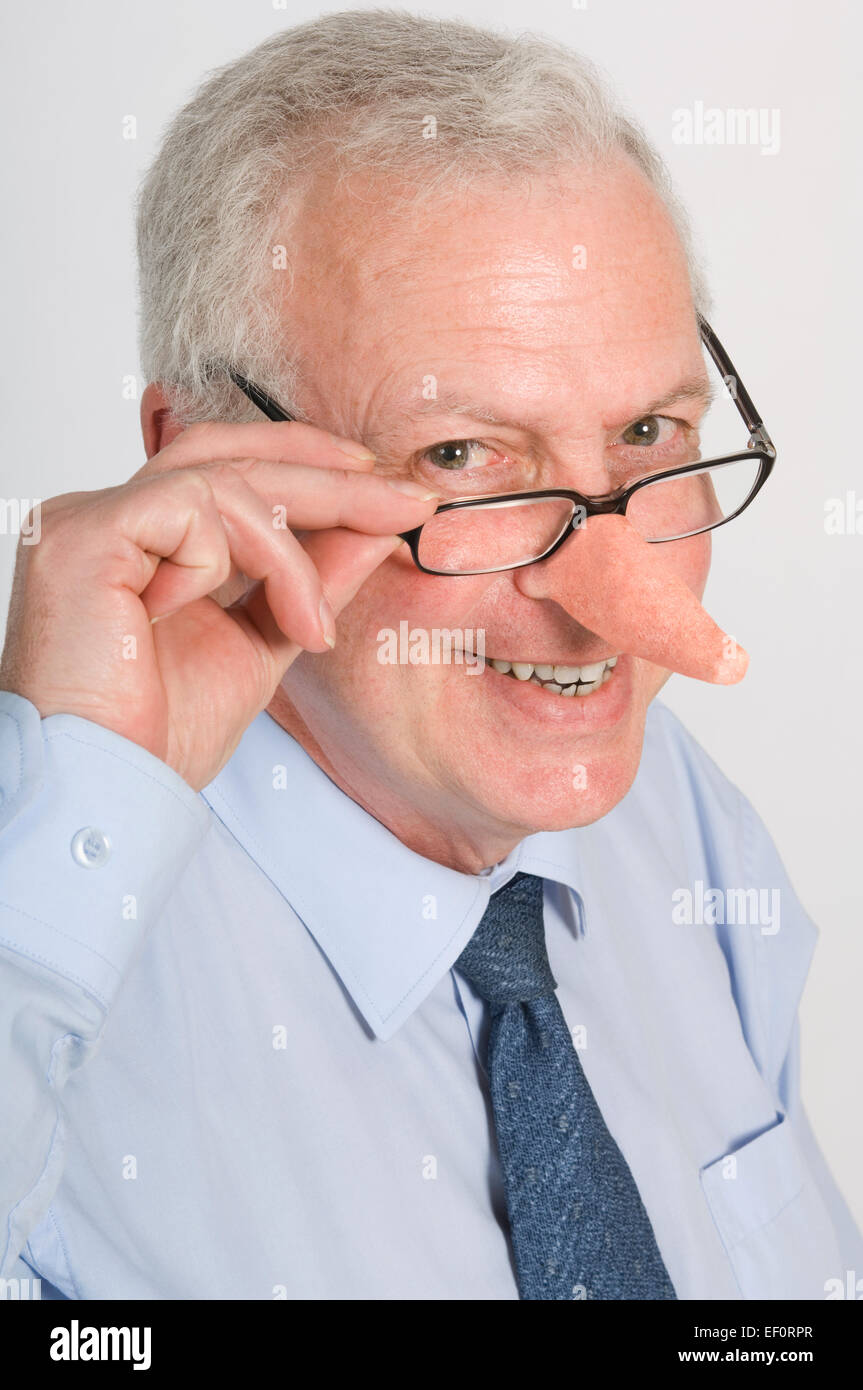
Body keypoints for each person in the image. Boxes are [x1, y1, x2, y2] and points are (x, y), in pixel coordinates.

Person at [0, 9, 859, 1300]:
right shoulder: (49, 950)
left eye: (646, 430)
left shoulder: (679, 823)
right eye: (463, 457)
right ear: (202, 458)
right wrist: (78, 826)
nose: (603, 597)